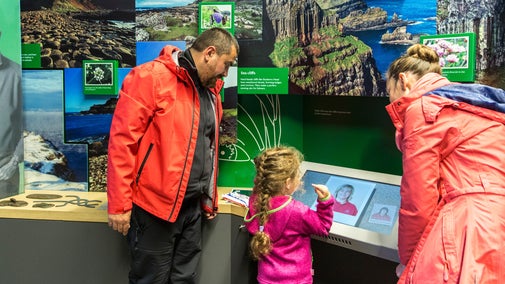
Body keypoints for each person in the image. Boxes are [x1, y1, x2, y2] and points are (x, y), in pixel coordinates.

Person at [107, 27, 239, 284]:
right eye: (227, 64)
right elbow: (122, 143)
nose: (226, 72)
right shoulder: (149, 78)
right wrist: (119, 205)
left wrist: (208, 196)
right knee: (150, 280)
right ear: (210, 54)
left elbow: (208, 145)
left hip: (191, 209)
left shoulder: (211, 91)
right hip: (154, 209)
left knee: (184, 279)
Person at [385, 43, 505, 283]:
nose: (390, 99)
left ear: (404, 80)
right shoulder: (477, 103)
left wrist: (409, 260)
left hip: (471, 225)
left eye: (389, 90)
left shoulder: (422, 109)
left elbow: (418, 197)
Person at [244, 146, 334, 284]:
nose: (299, 178)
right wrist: (325, 200)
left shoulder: (256, 201)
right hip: (296, 280)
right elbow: (323, 227)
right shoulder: (297, 211)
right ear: (287, 183)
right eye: (297, 174)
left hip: (266, 278)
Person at [0, 29, 23, 199]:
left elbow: (31, 125)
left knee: (7, 225)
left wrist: (15, 161)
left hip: (3, 171)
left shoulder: (17, 74)